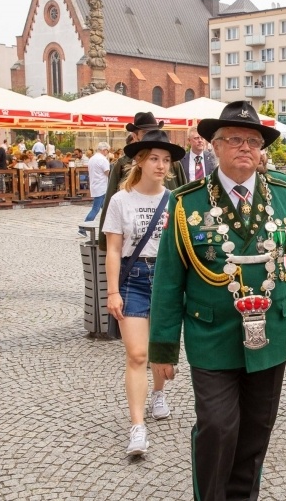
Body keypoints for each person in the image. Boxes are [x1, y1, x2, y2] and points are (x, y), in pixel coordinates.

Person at [148, 101, 286, 499]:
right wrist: (163, 349)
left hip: (271, 335)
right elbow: (167, 282)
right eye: (234, 139)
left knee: (256, 431)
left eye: (253, 141)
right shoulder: (186, 202)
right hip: (211, 335)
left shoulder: (283, 196)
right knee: (217, 426)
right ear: (214, 145)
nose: (245, 147)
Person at [103, 130, 183, 456]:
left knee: (160, 351)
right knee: (137, 354)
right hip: (133, 279)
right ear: (139, 160)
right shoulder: (121, 201)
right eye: (154, 158)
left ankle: (158, 393)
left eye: (166, 160)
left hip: (167, 278)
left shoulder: (175, 200)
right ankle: (138, 428)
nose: (161, 165)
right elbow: (112, 250)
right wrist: (112, 292)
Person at [98, 112, 187, 252]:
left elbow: (183, 194)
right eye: (145, 132)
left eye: (154, 131)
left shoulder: (174, 164)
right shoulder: (122, 164)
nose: (161, 164)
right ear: (135, 136)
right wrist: (105, 244)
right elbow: (111, 199)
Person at [78, 142, 111, 237]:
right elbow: (108, 173)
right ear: (104, 150)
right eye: (107, 151)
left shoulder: (92, 158)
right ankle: (82, 228)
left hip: (95, 185)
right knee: (96, 209)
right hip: (102, 186)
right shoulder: (103, 160)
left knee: (106, 209)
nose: (107, 153)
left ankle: (107, 228)